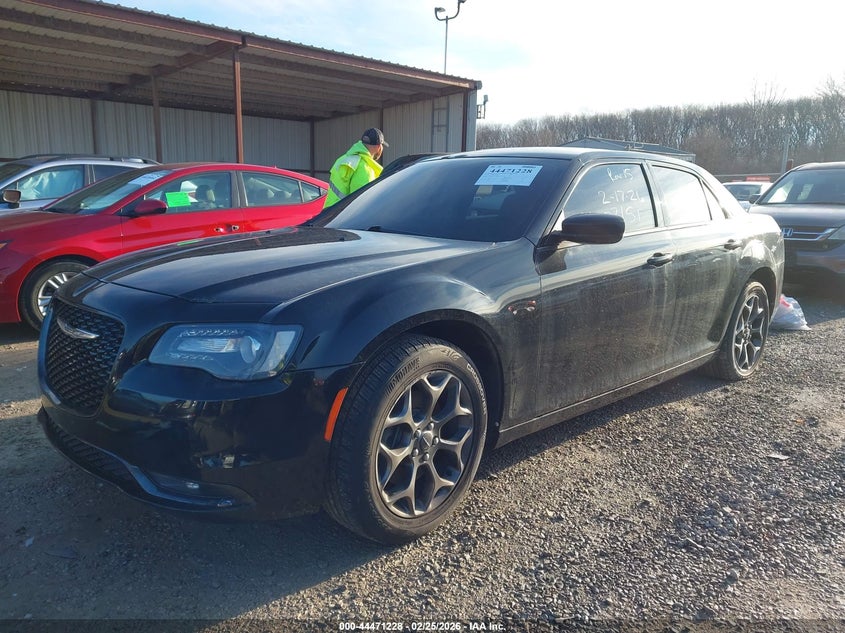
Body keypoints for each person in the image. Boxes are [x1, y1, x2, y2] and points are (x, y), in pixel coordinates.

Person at [323, 127, 388, 208]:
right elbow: (361, 201)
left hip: (331, 210)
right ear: (378, 147)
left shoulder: (344, 159)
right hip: (343, 212)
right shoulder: (364, 166)